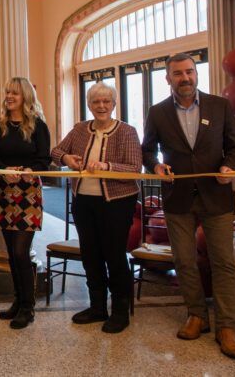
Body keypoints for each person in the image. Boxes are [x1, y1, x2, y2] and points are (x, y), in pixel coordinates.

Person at [142, 53, 235, 358]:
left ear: (196, 74)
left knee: (223, 262)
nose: (184, 78)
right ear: (168, 78)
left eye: (189, 72)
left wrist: (229, 167)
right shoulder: (157, 112)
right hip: (178, 197)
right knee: (184, 261)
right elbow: (148, 150)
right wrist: (155, 167)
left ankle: (226, 325)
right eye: (177, 74)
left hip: (217, 194)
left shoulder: (220, 105)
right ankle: (197, 315)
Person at [51, 82, 141, 334]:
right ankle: (97, 306)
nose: (101, 106)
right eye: (96, 102)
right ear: (89, 105)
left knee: (114, 254)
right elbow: (56, 151)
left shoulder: (127, 132)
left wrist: (107, 166)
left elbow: (135, 167)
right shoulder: (80, 129)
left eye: (106, 102)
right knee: (90, 254)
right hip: (83, 201)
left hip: (117, 202)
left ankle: (120, 310)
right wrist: (66, 158)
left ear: (114, 104)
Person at [0, 77, 50, 330]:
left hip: (27, 193)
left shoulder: (38, 126)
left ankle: (28, 307)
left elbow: (44, 160)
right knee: (10, 254)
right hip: (4, 191)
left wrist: (29, 170)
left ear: (25, 96)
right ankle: (17, 301)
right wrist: (3, 169)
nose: (9, 97)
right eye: (7, 92)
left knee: (20, 252)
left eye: (14, 93)